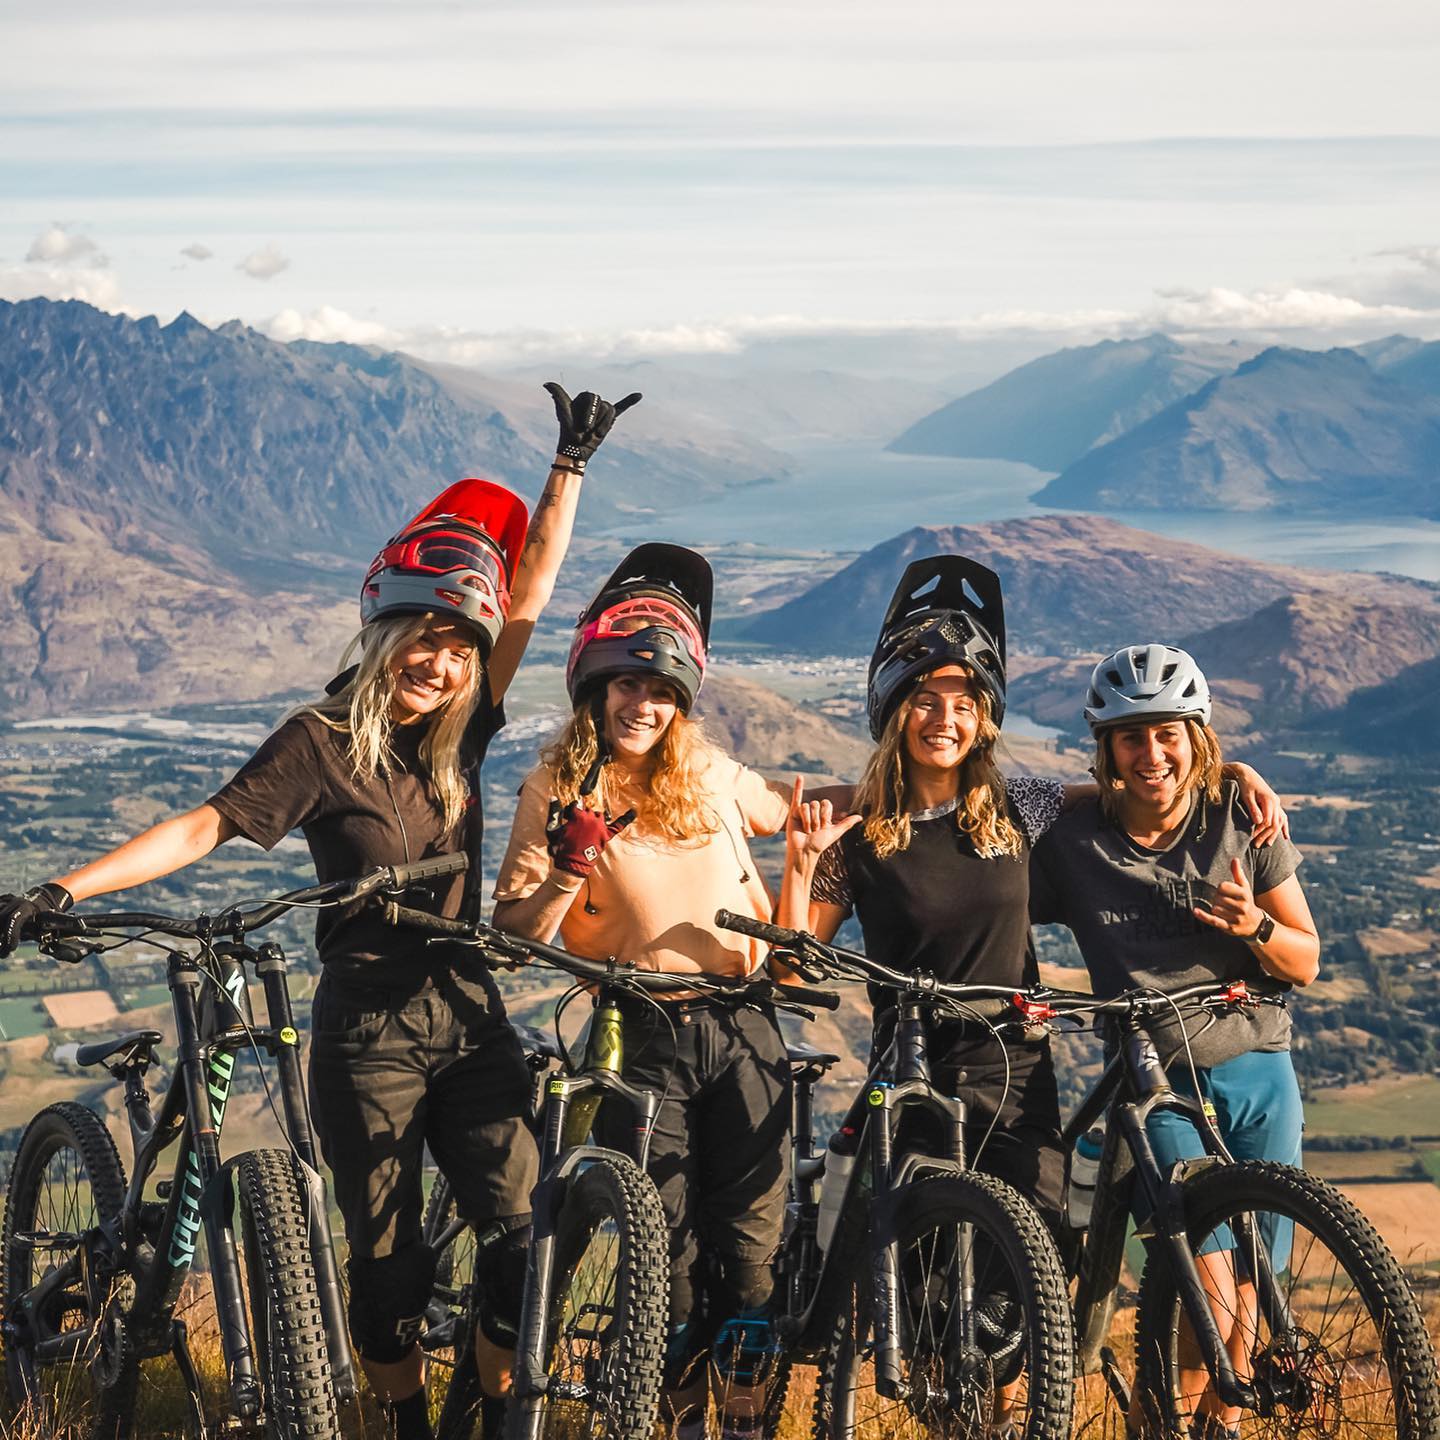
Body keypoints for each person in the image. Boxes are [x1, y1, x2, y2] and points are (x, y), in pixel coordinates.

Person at [0, 382, 640, 1440]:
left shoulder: (463, 730)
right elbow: (206, 827)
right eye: (420, 637)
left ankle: (485, 1405)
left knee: (527, 1235)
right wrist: (68, 886)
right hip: (368, 1028)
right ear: (381, 633)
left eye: (456, 644)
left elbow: (524, 595)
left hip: (469, 1011)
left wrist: (567, 470)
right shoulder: (320, 740)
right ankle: (400, 1426)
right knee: (384, 1269)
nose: (440, 660)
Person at [491, 544, 794, 1440]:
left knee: (750, 1246)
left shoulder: (709, 776)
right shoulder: (556, 783)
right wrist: (568, 865)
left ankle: (737, 1417)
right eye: (628, 684)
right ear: (595, 687)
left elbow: (799, 809)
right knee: (662, 1248)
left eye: (661, 692)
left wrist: (938, 786)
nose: (644, 704)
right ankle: (669, 1415)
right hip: (637, 1028)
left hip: (745, 1024)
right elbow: (515, 936)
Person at [1029, 643, 1319, 1440]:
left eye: (1169, 734)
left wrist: (1256, 926)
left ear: (1197, 736)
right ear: (1106, 747)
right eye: (1131, 737)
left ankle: (1210, 1424)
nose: (1152, 752)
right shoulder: (1072, 832)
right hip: (1159, 1079)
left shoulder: (1238, 817)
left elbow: (1306, 956)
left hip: (1260, 1063)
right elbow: (978, 802)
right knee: (1209, 1275)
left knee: (1259, 1275)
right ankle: (1176, 1418)